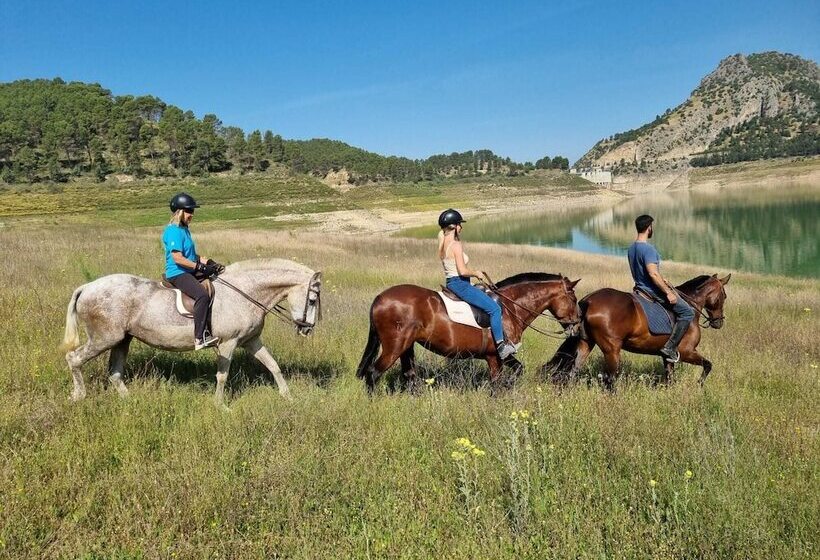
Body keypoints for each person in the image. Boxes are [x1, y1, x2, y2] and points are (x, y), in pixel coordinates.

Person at [438, 208, 516, 360]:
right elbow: (462, 271)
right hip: (461, 284)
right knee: (494, 309)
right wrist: (476, 272)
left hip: (451, 283)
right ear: (454, 226)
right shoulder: (455, 245)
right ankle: (501, 346)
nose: (462, 227)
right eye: (460, 224)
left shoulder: (442, 244)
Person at [627, 214, 695, 363]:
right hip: (651, 291)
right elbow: (652, 274)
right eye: (652, 227)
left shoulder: (632, 248)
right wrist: (668, 292)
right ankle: (669, 347)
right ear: (649, 228)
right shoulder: (648, 249)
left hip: (639, 289)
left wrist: (661, 277)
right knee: (687, 312)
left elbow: (642, 271)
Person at [162, 193, 225, 350]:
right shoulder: (173, 231)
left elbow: (191, 255)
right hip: (178, 272)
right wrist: (200, 268)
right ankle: (199, 338)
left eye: (192, 212)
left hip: (188, 269)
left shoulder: (184, 230)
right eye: (189, 211)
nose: (191, 215)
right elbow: (178, 258)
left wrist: (209, 262)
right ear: (179, 212)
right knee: (202, 296)